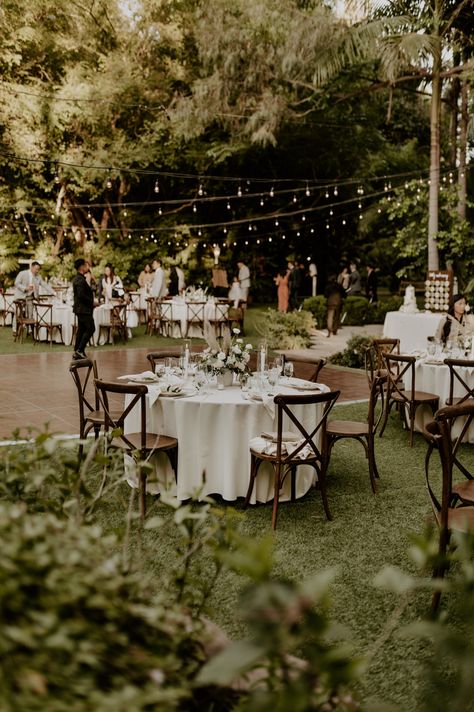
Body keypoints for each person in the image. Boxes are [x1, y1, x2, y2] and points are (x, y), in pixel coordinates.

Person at [72, 258, 95, 359]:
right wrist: (92, 301)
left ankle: (77, 351)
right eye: (86, 265)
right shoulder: (80, 280)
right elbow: (81, 295)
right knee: (90, 328)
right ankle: (80, 350)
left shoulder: (80, 278)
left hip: (81, 309)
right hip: (83, 309)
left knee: (81, 329)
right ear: (81, 267)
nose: (87, 267)